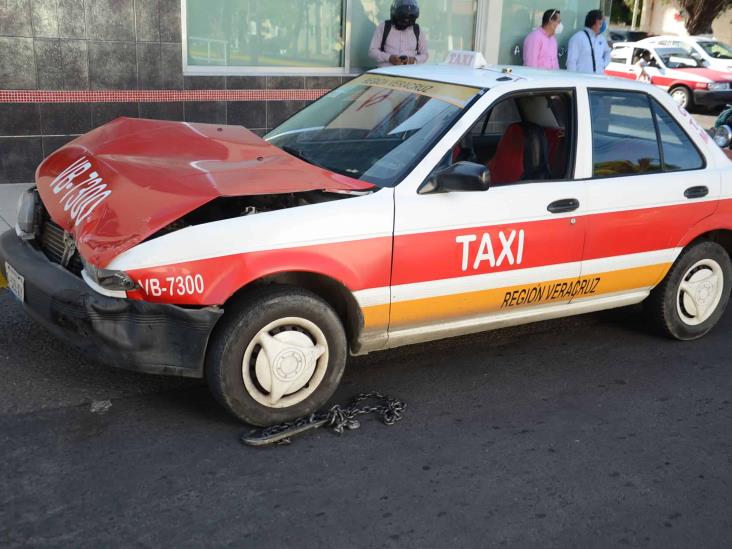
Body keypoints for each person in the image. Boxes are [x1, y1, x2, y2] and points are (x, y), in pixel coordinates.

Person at [368, 0, 429, 68]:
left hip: (409, 73)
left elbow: (425, 54)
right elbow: (372, 51)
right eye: (402, 21)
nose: (405, 23)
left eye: (408, 21)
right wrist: (389, 58)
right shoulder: (384, 27)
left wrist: (413, 59)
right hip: (386, 72)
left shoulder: (417, 30)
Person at [566, 9, 611, 74]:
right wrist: (574, 80)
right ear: (593, 24)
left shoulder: (601, 38)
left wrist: (603, 64)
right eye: (600, 23)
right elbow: (571, 62)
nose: (602, 26)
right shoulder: (578, 38)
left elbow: (607, 52)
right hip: (582, 81)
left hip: (599, 79)